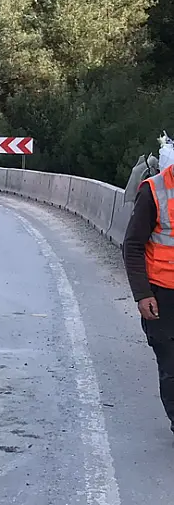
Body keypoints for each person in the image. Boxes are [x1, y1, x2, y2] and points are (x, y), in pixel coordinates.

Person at [124, 140, 174, 436]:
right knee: (170, 363)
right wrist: (142, 294)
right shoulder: (153, 190)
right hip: (162, 294)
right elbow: (132, 245)